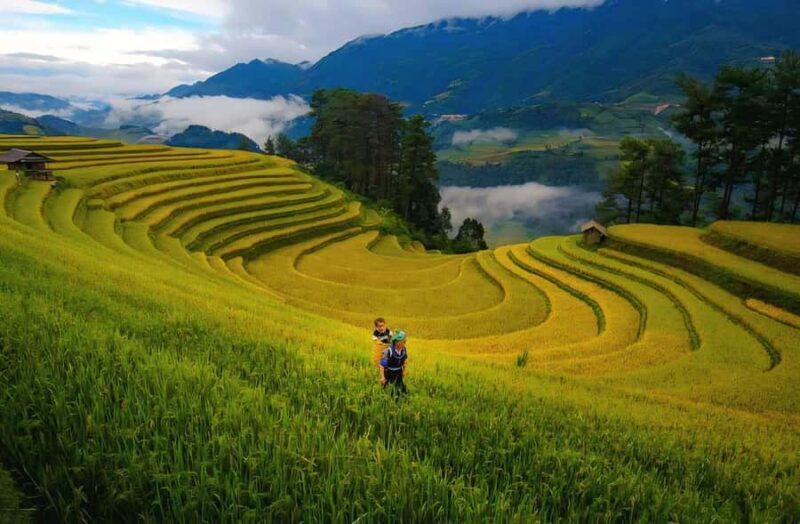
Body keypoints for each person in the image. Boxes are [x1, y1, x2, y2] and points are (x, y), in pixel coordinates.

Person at [380, 330, 408, 397]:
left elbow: (405, 361)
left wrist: (404, 370)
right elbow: (382, 365)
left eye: (404, 340)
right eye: (403, 341)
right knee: (389, 391)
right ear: (396, 342)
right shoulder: (388, 351)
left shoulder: (404, 349)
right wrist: (382, 377)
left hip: (398, 373)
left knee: (402, 390)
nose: (405, 342)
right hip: (389, 373)